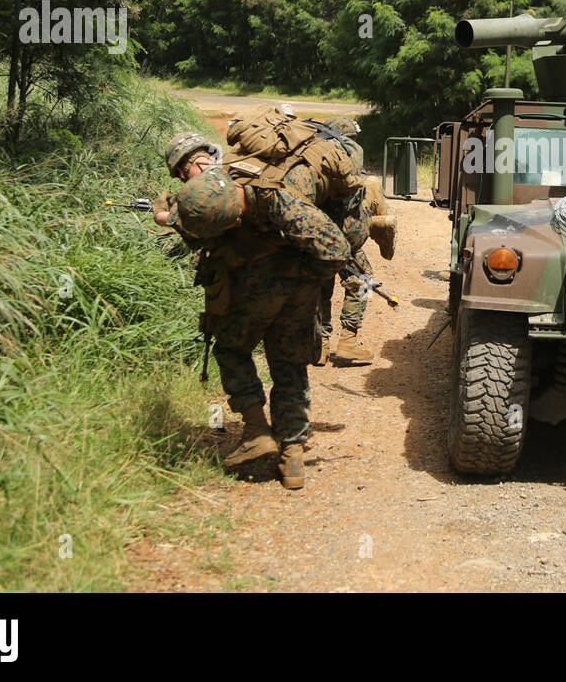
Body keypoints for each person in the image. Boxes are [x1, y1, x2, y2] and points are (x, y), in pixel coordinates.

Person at [158, 139, 360, 490]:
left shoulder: (273, 195)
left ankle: (255, 430)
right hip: (296, 294)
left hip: (257, 291)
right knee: (289, 364)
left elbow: (337, 249)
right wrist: (304, 279)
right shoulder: (225, 186)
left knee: (231, 349)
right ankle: (292, 454)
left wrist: (302, 276)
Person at [310, 117, 396, 366]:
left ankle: (320, 344)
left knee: (320, 289)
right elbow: (380, 216)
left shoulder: (317, 163)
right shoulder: (355, 168)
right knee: (363, 281)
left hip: (320, 239)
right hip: (349, 242)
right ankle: (348, 341)